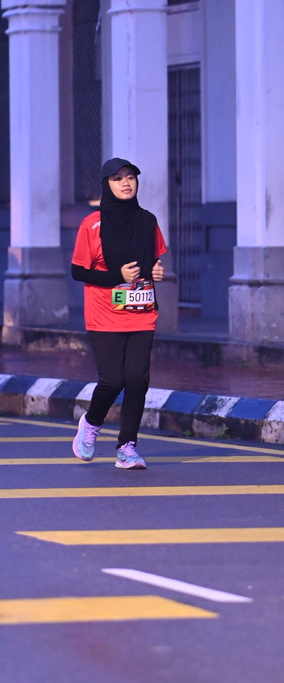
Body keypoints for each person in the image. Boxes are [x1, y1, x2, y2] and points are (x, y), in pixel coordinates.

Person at [71, 158, 166, 470]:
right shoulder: (91, 225)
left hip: (141, 310)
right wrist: (116, 276)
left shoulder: (148, 220)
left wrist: (157, 270)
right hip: (104, 314)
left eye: (130, 177)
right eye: (117, 178)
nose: (126, 183)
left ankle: (127, 447)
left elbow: (153, 260)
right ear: (106, 185)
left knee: (137, 380)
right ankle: (91, 424)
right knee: (112, 381)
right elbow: (78, 271)